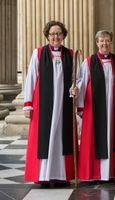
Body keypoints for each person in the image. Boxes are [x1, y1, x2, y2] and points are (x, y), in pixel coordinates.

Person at [23, 21, 78, 188]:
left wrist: (76, 89)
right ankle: (44, 176)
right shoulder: (39, 53)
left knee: (63, 139)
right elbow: (31, 78)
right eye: (52, 34)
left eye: (59, 33)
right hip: (43, 106)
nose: (56, 37)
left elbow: (77, 79)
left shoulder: (70, 54)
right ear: (47, 35)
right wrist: (27, 103)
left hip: (64, 105)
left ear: (63, 35)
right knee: (45, 139)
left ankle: (62, 175)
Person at [77, 30, 115, 183]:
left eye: (107, 41)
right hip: (94, 109)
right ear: (97, 43)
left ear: (111, 42)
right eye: (101, 41)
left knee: (112, 137)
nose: (104, 44)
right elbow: (81, 83)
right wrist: (79, 105)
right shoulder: (88, 62)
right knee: (94, 139)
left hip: (113, 108)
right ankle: (94, 173)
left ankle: (112, 172)